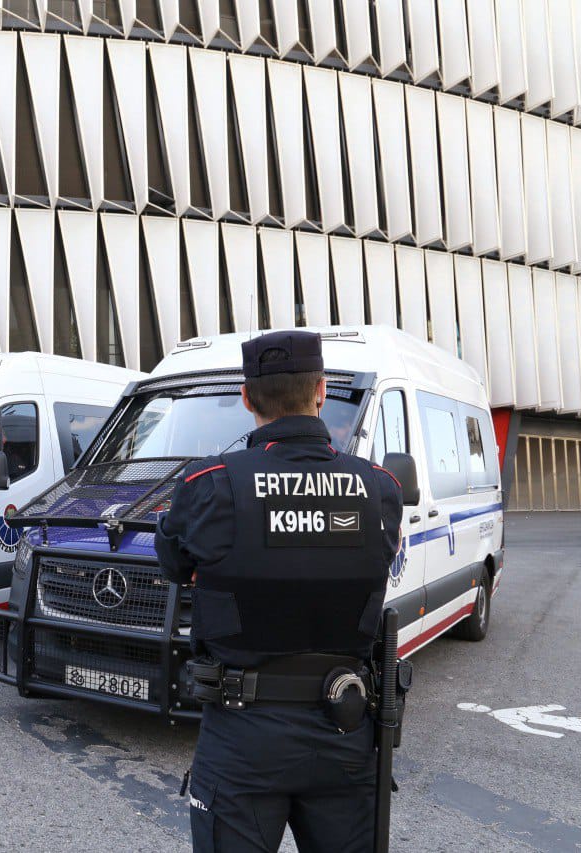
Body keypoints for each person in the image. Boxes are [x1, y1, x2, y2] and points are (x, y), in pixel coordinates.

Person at [155, 330, 403, 853]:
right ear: (320, 391)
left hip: (243, 733)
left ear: (246, 399)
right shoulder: (379, 488)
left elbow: (174, 562)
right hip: (344, 726)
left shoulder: (212, 484)